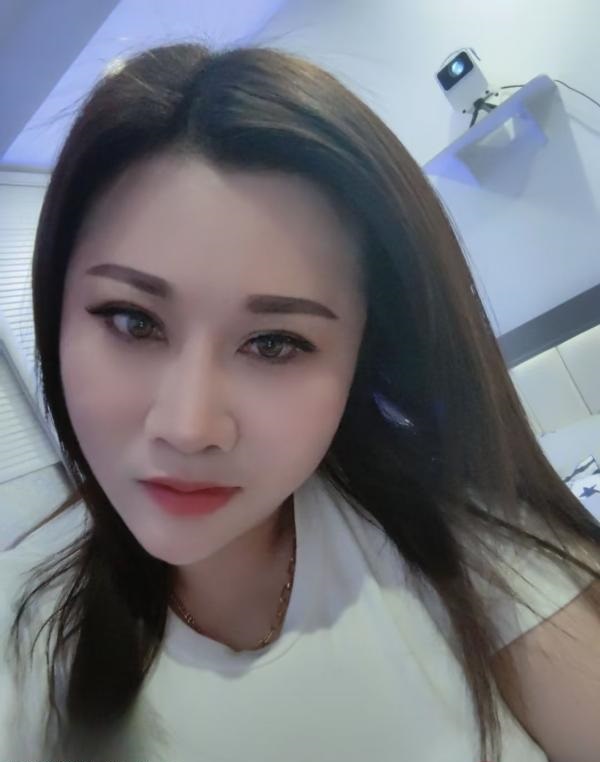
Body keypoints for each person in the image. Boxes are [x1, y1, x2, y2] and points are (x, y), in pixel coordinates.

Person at [1, 42, 599, 762]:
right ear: (56, 313)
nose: (189, 428)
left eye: (274, 343)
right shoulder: (25, 645)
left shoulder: (463, 546)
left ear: (361, 356)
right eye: (134, 322)